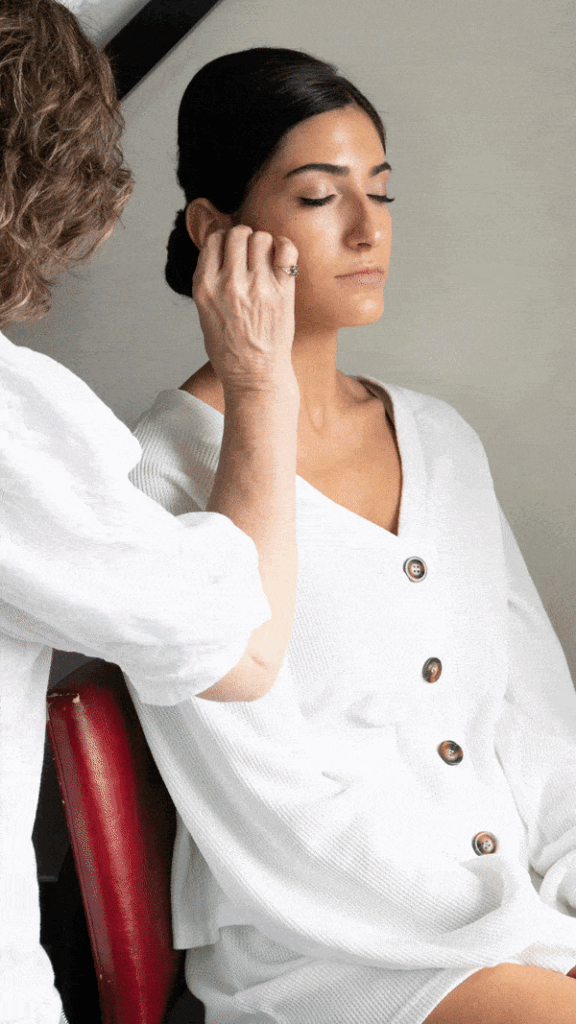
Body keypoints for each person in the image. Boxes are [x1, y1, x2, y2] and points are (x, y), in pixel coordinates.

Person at [128, 47, 576, 1024]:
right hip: (329, 957)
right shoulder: (156, 476)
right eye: (322, 196)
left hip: (523, 927)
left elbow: (542, 728)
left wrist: (564, 914)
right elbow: (268, 806)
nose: (370, 228)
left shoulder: (442, 442)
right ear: (216, 228)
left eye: (380, 190)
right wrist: (522, 944)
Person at [0, 4, 301, 1021]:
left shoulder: (439, 444)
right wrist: (261, 388)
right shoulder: (19, 433)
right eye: (312, 194)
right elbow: (244, 655)